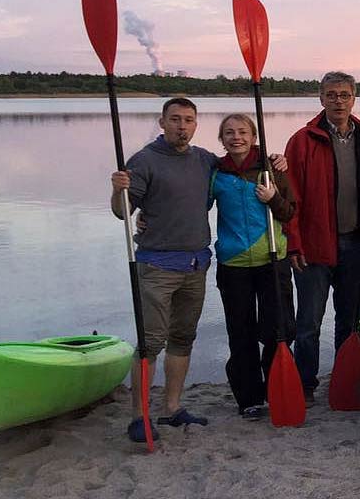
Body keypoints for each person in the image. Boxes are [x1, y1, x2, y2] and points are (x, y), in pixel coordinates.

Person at [110, 97, 217, 441]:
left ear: (196, 125)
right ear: (162, 122)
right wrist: (118, 191)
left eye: (188, 120)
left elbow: (241, 165)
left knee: (183, 338)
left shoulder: (204, 160)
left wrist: (277, 161)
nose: (181, 126)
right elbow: (123, 212)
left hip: (196, 263)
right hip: (157, 266)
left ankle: (172, 408)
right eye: (175, 119)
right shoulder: (144, 160)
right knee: (150, 342)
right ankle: (139, 416)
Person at [284, 71, 360, 405]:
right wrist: (294, 243)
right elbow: (291, 199)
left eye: (344, 95)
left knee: (350, 320)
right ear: (321, 98)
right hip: (314, 248)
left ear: (354, 98)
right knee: (309, 323)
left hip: (356, 246)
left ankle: (345, 379)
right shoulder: (302, 140)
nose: (338, 101)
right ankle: (305, 385)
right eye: (331, 95)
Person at [211, 114, 297, 420]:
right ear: (221, 139)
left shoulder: (271, 168)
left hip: (272, 260)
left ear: (254, 136)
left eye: (243, 132)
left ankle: (275, 385)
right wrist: (147, 216)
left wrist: (273, 198)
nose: (237, 137)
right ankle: (249, 397)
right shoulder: (215, 172)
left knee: (279, 328)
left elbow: (289, 212)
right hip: (233, 264)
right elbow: (195, 204)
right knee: (241, 332)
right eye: (230, 133)